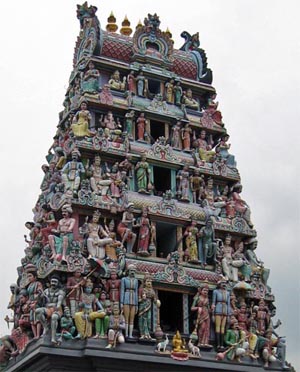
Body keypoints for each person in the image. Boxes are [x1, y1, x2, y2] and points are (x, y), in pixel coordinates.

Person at [35, 276, 65, 344]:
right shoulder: (46, 291)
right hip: (48, 309)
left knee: (54, 317)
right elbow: (39, 299)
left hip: (57, 309)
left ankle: (53, 337)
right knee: (38, 311)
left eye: (55, 282)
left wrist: (57, 306)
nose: (53, 283)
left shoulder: (60, 292)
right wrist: (40, 294)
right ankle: (45, 327)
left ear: (58, 283)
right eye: (52, 281)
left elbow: (60, 301)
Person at [120, 264, 139, 338]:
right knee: (126, 318)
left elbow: (136, 291)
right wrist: (121, 302)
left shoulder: (136, 280)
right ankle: (126, 334)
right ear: (128, 271)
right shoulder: (124, 279)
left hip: (133, 300)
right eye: (131, 270)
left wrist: (137, 304)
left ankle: (130, 334)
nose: (132, 272)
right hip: (126, 299)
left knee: (132, 318)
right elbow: (122, 291)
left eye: (134, 271)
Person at [211, 279, 231, 350]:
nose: (224, 284)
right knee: (218, 327)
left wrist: (229, 315)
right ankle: (218, 344)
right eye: (222, 283)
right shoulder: (215, 291)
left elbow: (229, 304)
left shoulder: (228, 293)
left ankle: (222, 344)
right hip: (218, 309)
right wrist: (213, 314)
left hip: (225, 311)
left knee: (223, 328)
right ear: (219, 284)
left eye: (225, 283)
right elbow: (213, 303)